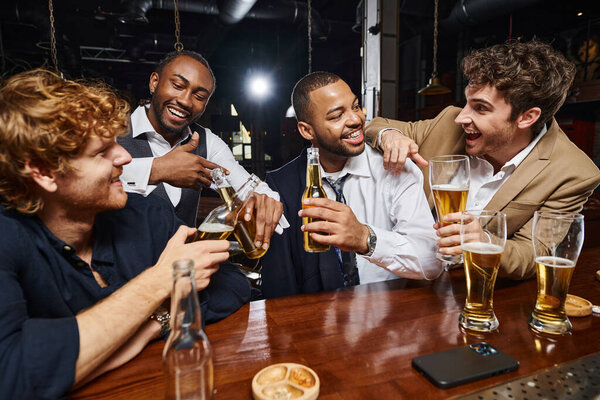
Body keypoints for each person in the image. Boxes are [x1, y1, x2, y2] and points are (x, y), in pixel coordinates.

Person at [0, 69, 251, 398]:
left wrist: (148, 327)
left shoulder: (145, 214)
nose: (125, 157)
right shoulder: (7, 239)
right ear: (44, 172)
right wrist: (160, 282)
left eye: (116, 143)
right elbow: (11, 375)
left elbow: (232, 285)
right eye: (101, 152)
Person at [365, 40, 600, 280]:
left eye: (480, 108)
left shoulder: (574, 173)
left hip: (471, 286)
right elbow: (374, 125)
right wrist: (389, 136)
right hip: (395, 271)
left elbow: (532, 254)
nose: (461, 117)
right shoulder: (448, 122)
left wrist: (483, 240)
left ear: (527, 117)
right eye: (467, 101)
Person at [261, 72, 440, 299]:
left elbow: (431, 262)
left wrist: (365, 238)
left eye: (356, 107)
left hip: (391, 317)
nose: (355, 119)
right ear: (307, 130)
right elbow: (280, 282)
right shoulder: (281, 184)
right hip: (317, 320)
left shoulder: (396, 168)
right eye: (337, 116)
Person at [118, 50, 286, 250]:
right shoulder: (111, 130)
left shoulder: (207, 143)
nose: (185, 101)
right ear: (154, 82)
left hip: (183, 271)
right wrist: (156, 170)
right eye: (178, 86)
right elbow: (78, 181)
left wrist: (268, 203)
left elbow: (249, 188)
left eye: (199, 96)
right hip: (119, 271)